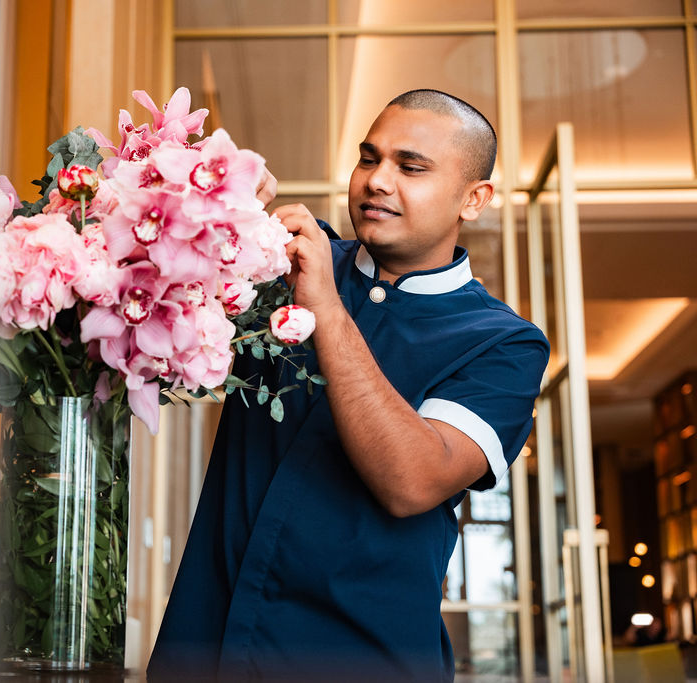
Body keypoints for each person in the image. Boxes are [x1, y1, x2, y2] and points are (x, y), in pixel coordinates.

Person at [146, 89, 550, 681]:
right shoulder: (279, 263)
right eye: (369, 158)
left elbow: (413, 481)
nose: (377, 181)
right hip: (202, 649)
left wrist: (326, 312)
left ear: (474, 199)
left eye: (410, 167)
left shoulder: (503, 344)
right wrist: (213, 210)